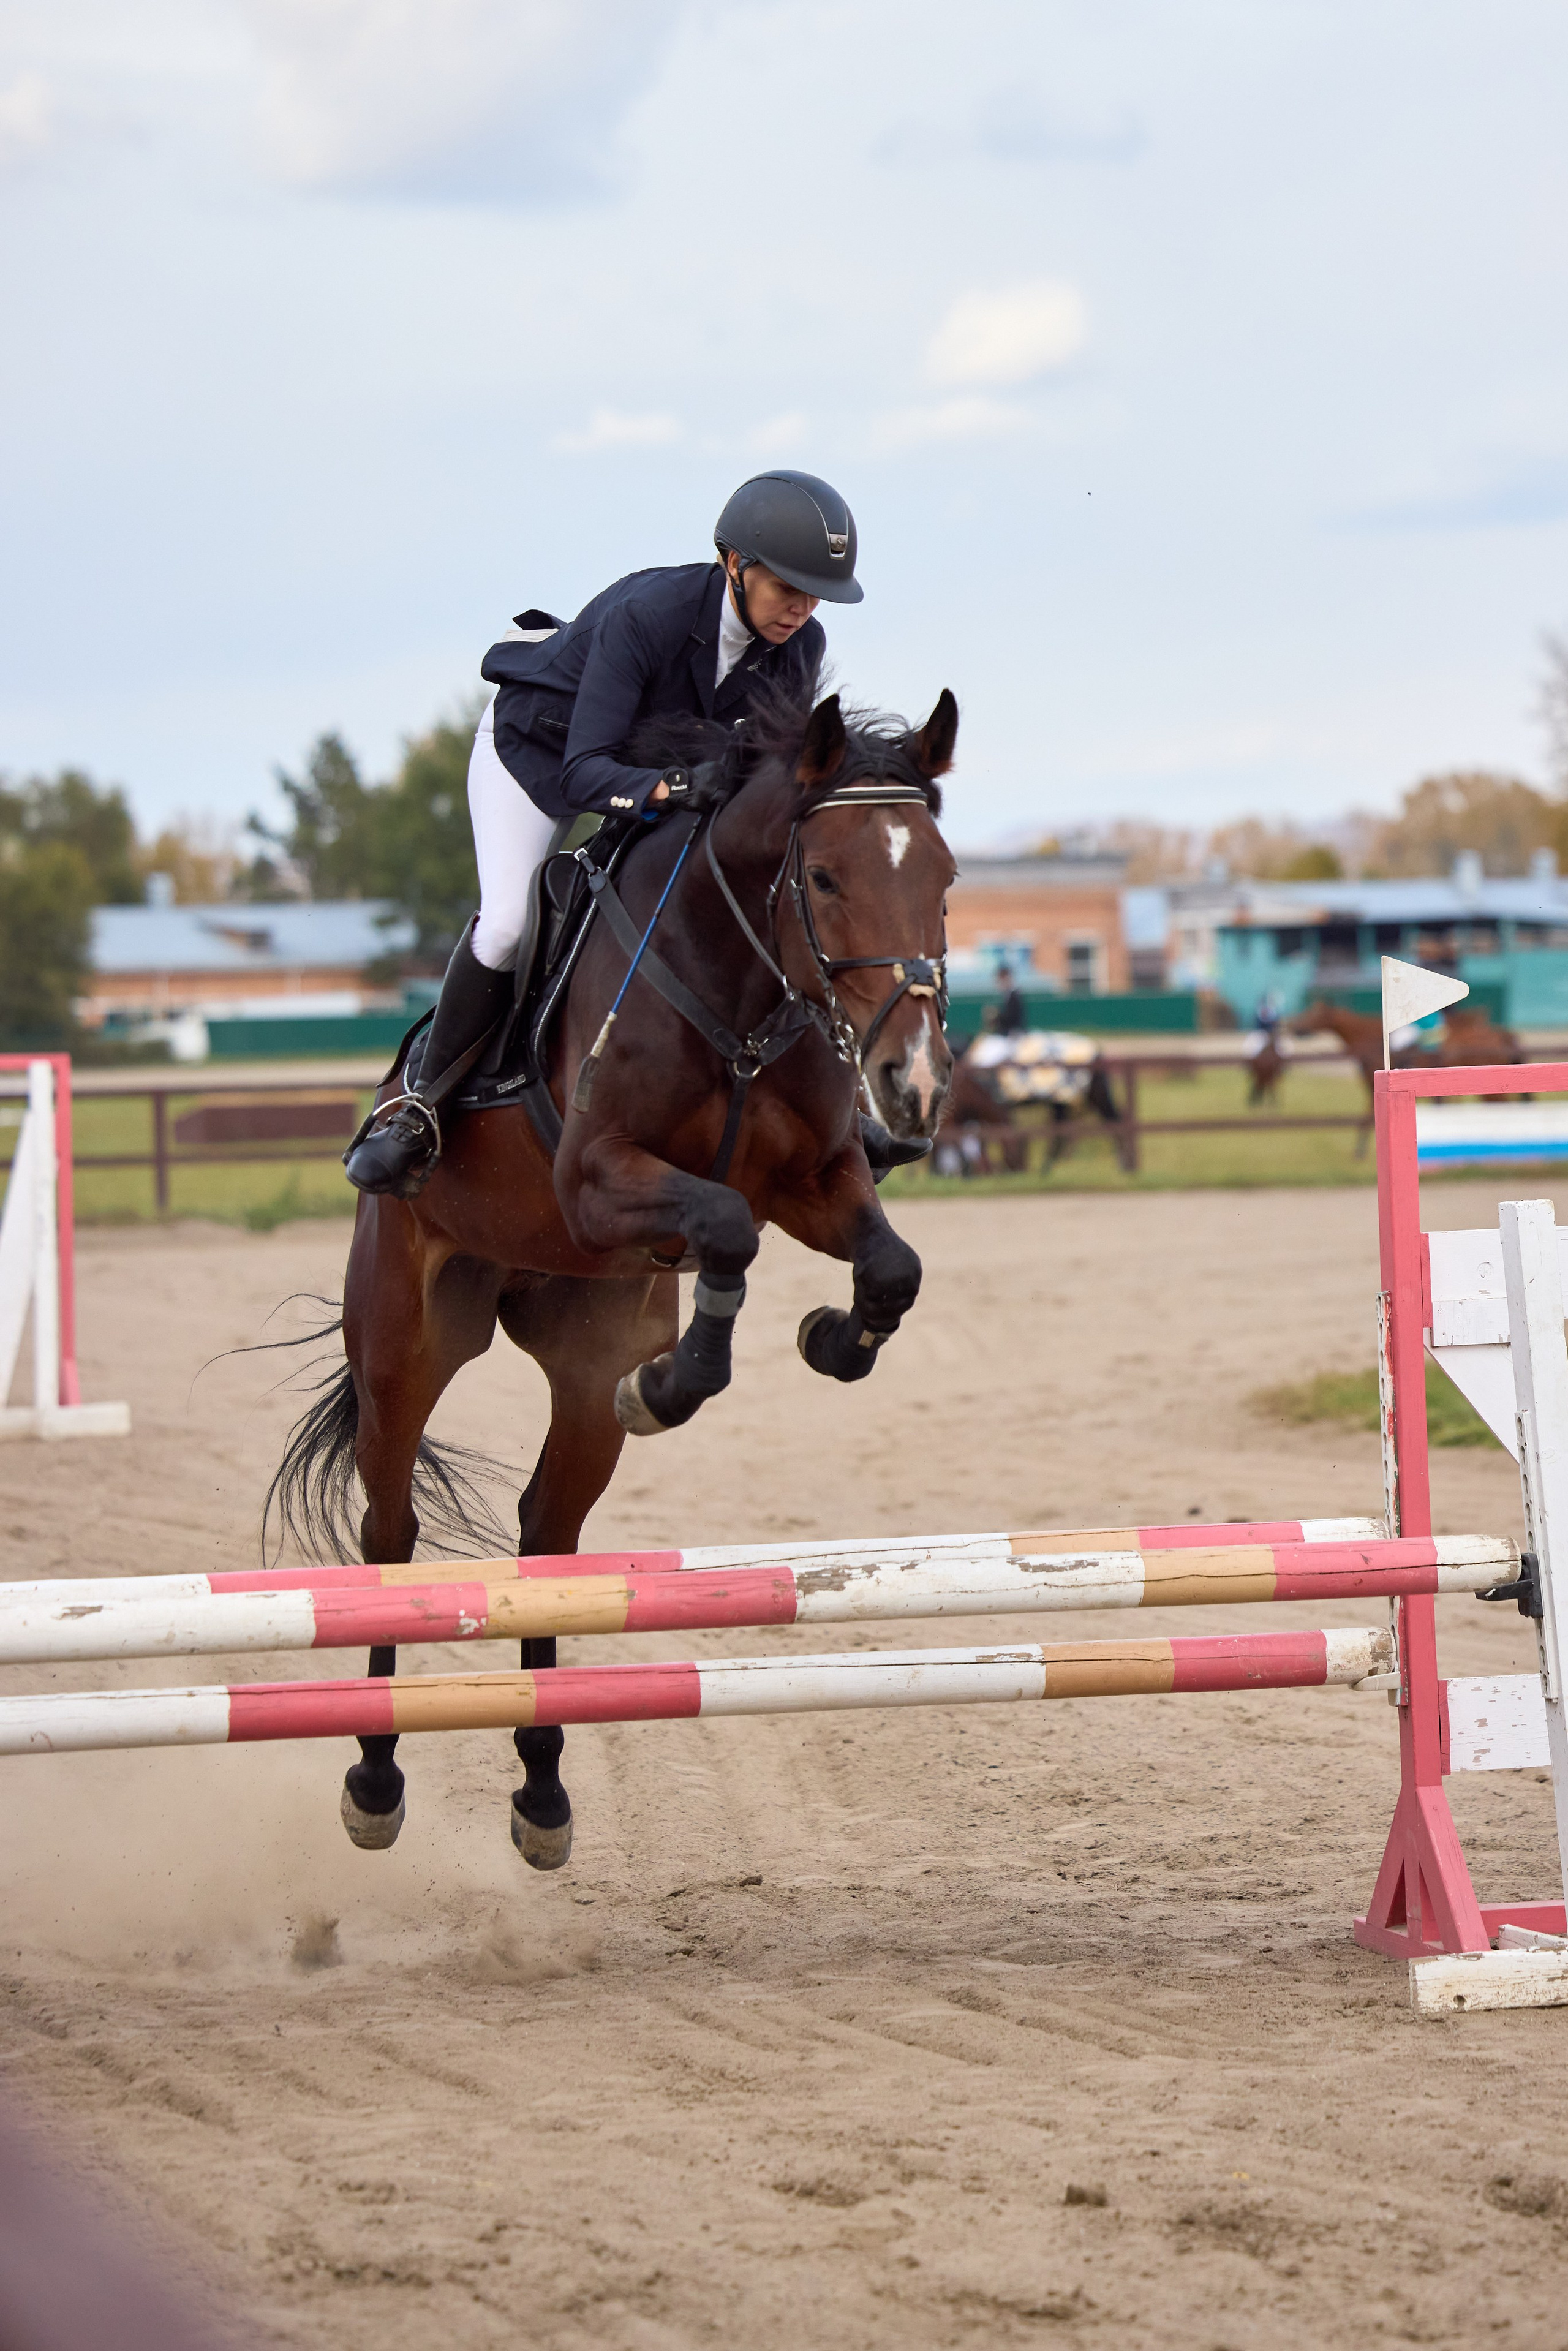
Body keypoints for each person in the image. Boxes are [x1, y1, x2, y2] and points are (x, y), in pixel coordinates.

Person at [347, 470, 874, 1198]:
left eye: (816, 594)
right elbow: (585, 770)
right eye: (789, 586)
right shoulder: (649, 614)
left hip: (654, 772)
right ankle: (419, 1108)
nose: (803, 608)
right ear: (734, 565)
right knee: (507, 923)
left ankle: (828, 1103)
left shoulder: (800, 645)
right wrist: (677, 788)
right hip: (537, 755)